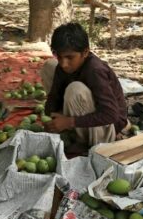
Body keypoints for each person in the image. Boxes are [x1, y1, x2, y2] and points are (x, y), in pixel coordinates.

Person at [40, 22, 129, 151]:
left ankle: (83, 141)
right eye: (59, 56)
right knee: (49, 66)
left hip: (107, 128)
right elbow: (53, 100)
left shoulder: (95, 71)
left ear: (85, 52)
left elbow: (111, 115)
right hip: (81, 116)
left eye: (70, 57)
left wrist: (69, 122)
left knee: (75, 89)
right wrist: (53, 118)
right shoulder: (63, 66)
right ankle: (71, 130)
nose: (64, 63)